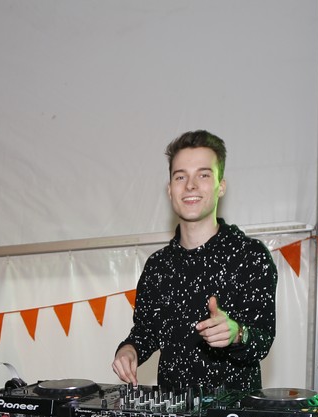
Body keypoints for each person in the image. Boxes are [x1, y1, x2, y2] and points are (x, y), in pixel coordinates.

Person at [112, 130, 277, 390]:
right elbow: (145, 331)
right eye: (181, 176)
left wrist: (237, 333)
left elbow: (263, 340)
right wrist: (129, 349)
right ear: (170, 190)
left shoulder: (251, 255)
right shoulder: (158, 266)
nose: (190, 185)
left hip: (233, 412)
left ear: (221, 186)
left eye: (203, 175)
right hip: (171, 412)